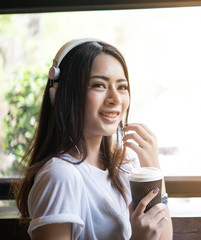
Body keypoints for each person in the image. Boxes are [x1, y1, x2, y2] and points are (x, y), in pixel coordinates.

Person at [14, 38, 173, 240]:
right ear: (62, 94)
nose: (115, 99)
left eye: (122, 87)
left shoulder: (126, 165)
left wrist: (153, 168)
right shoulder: (61, 175)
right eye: (99, 85)